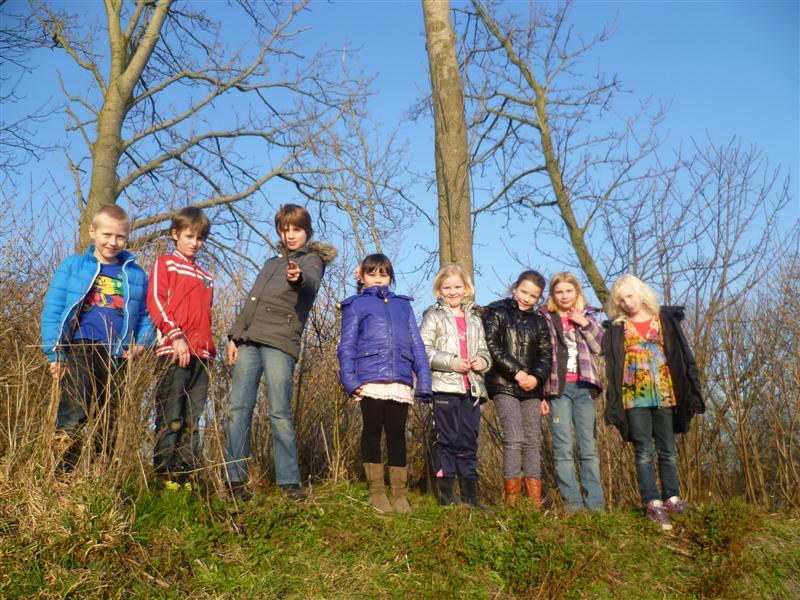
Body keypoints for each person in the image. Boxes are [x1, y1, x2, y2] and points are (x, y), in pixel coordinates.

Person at [224, 204, 336, 501]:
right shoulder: (270, 263)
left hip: (280, 342)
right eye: (285, 230)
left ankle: (289, 483)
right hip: (249, 340)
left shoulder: (312, 261)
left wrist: (297, 277)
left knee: (279, 412)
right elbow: (252, 301)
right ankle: (235, 481)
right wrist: (234, 336)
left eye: (296, 229)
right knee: (238, 409)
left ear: (307, 232)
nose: (290, 235)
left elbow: (309, 284)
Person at [41, 205, 154, 471]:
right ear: (92, 232)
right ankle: (62, 472)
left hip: (117, 354)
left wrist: (140, 344)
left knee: (110, 416)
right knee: (74, 410)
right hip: (80, 347)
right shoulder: (74, 265)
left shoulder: (135, 274)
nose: (112, 242)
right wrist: (54, 353)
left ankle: (99, 475)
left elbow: (146, 314)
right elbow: (54, 309)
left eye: (120, 237)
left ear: (127, 237)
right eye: (106, 235)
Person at [604, 275, 705, 530]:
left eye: (630, 296)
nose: (627, 303)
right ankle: (652, 502)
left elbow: (683, 354)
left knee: (668, 449)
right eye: (621, 300)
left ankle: (672, 498)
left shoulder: (665, 319)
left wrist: (693, 387)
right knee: (644, 451)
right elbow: (612, 364)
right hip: (634, 395)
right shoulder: (617, 327)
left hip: (664, 392)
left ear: (641, 293)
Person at [337, 254, 432, 513]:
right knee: (371, 430)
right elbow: (347, 345)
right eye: (372, 273)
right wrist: (349, 379)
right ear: (362, 277)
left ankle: (399, 494)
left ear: (390, 276)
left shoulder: (403, 306)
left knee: (397, 433)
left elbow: (417, 345)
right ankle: (377, 492)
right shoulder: (355, 305)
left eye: (383, 273)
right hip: (369, 378)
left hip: (400, 379)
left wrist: (423, 379)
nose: (378, 278)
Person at [147, 207, 215, 483]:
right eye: (189, 236)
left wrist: (210, 350)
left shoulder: (206, 276)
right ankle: (164, 477)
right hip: (174, 352)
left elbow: (206, 316)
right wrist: (176, 337)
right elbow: (156, 302)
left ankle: (185, 478)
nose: (194, 243)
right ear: (175, 234)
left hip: (202, 356)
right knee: (170, 416)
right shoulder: (165, 264)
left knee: (192, 420)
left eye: (199, 239)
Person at [419, 264, 491, 507]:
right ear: (439, 289)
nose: (452, 291)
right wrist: (452, 362)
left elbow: (484, 350)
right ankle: (447, 497)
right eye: (447, 287)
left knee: (468, 440)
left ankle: (471, 496)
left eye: (457, 287)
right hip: (444, 388)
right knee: (447, 440)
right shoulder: (433, 316)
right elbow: (423, 350)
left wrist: (482, 361)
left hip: (471, 389)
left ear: (467, 288)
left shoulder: (474, 318)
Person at [482, 270, 552, 507]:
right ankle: (511, 501)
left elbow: (546, 355)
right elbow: (492, 346)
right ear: (515, 288)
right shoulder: (497, 313)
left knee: (532, 441)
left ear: (538, 298)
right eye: (524, 291)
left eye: (533, 295)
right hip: (503, 385)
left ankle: (534, 503)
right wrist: (517, 372)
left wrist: (536, 377)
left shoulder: (540, 321)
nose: (527, 298)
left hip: (532, 389)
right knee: (514, 438)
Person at [538, 272, 605, 513]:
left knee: (589, 448)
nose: (564, 296)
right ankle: (573, 505)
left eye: (569, 291)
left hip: (584, 387)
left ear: (576, 292)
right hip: (558, 389)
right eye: (559, 292)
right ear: (553, 295)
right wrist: (540, 395)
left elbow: (601, 347)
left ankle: (596, 505)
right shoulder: (545, 317)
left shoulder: (587, 316)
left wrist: (583, 323)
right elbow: (539, 357)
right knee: (563, 448)